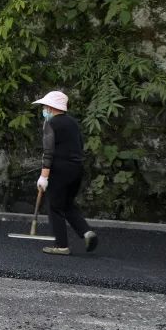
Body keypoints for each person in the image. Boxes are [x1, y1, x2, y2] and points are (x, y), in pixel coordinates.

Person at [33, 91, 98, 256]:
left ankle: (61, 245)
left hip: (59, 170)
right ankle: (86, 232)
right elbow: (80, 145)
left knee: (55, 207)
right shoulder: (73, 123)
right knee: (67, 204)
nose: (43, 109)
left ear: (51, 107)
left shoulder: (50, 124)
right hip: (77, 169)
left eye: (45, 106)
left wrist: (44, 176)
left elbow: (48, 152)